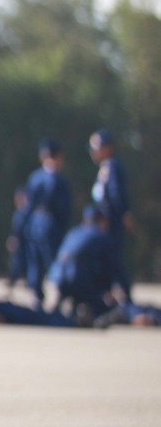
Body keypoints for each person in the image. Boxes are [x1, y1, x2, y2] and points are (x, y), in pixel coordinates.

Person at [23, 139, 71, 308]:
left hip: (35, 222)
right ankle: (58, 292)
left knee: (36, 260)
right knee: (52, 261)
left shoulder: (35, 177)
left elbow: (27, 206)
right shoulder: (58, 179)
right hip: (50, 223)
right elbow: (65, 208)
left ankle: (37, 295)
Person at [48, 205, 115, 325]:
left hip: (56, 277)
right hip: (77, 278)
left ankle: (65, 312)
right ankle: (83, 315)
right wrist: (107, 290)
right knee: (105, 308)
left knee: (62, 311)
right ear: (101, 219)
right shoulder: (100, 235)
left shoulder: (74, 232)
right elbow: (108, 268)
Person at [88, 128, 133, 304]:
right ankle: (107, 295)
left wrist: (119, 214)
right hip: (105, 222)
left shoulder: (112, 166)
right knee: (106, 260)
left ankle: (124, 297)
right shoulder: (105, 167)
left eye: (96, 147)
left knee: (112, 259)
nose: (93, 151)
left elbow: (116, 195)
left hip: (110, 222)